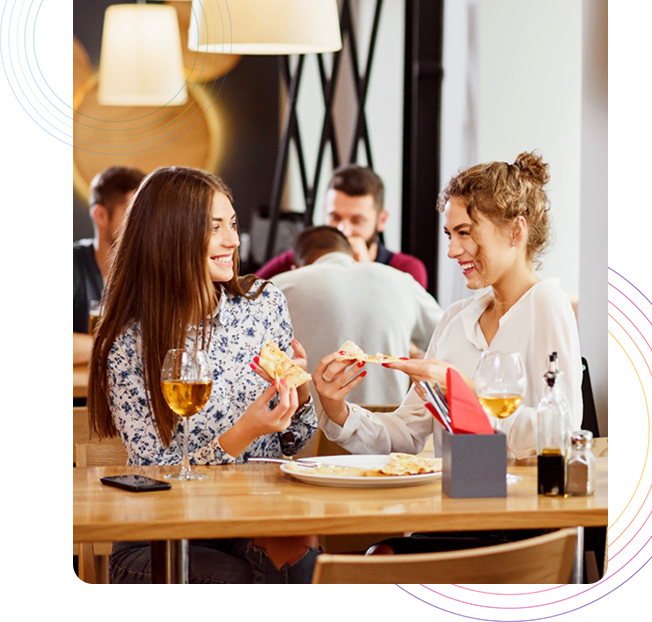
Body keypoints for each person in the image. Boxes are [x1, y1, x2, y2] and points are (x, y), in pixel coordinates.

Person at [88, 166, 319, 584]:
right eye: (215, 229)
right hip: (161, 539)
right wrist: (244, 431)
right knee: (245, 586)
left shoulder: (264, 306)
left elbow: (292, 444)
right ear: (169, 235)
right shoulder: (127, 339)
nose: (233, 240)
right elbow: (155, 472)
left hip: (255, 519)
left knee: (309, 566)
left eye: (232, 224)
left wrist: (299, 402)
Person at [313, 151, 583, 462]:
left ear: (516, 231)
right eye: (450, 235)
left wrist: (461, 389)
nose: (453, 251)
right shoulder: (456, 318)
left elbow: (561, 433)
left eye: (465, 233)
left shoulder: (545, 303)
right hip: (452, 502)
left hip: (520, 505)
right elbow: (405, 434)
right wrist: (338, 410)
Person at [271, 226, 443, 406]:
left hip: (310, 426)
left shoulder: (280, 286)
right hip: (389, 426)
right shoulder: (402, 281)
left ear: (295, 267)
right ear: (354, 256)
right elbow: (447, 340)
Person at [256, 164, 429, 289]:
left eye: (357, 220)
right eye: (335, 217)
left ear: (381, 220)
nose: (343, 230)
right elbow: (245, 298)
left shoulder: (406, 271)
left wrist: (365, 272)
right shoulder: (297, 260)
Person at [73, 166, 145, 365]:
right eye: (132, 213)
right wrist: (125, 345)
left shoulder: (154, 269)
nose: (142, 224)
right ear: (100, 215)